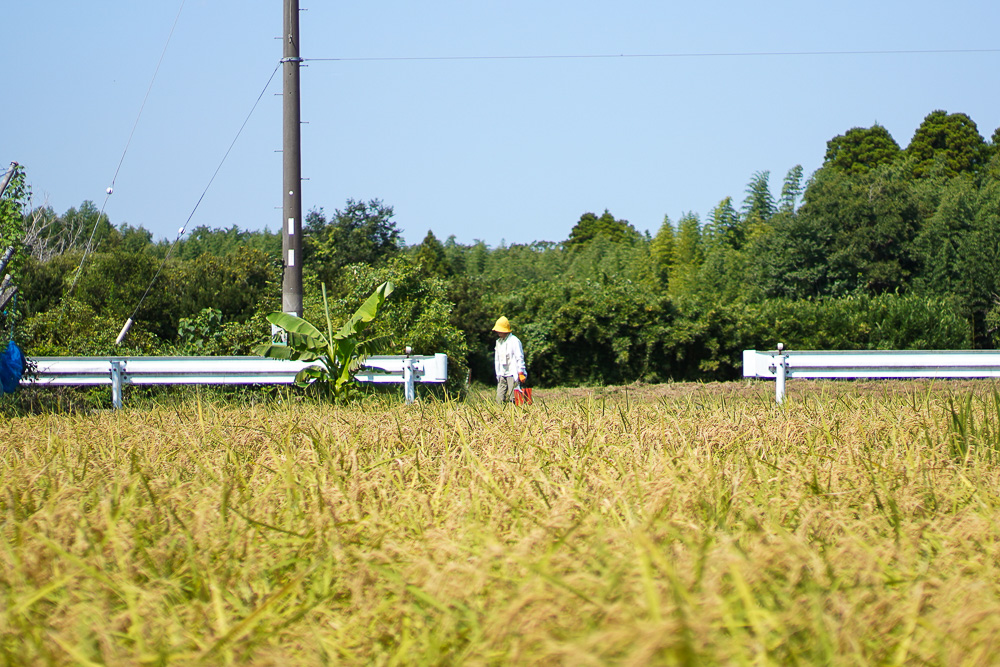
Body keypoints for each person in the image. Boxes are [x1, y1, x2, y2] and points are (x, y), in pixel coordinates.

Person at [493, 316, 526, 404]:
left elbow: (519, 357)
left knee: (514, 398)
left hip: (513, 373)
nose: (498, 332)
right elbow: (497, 359)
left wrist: (521, 372)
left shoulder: (514, 341)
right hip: (502, 373)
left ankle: (517, 415)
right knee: (499, 399)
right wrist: (498, 373)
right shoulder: (499, 342)